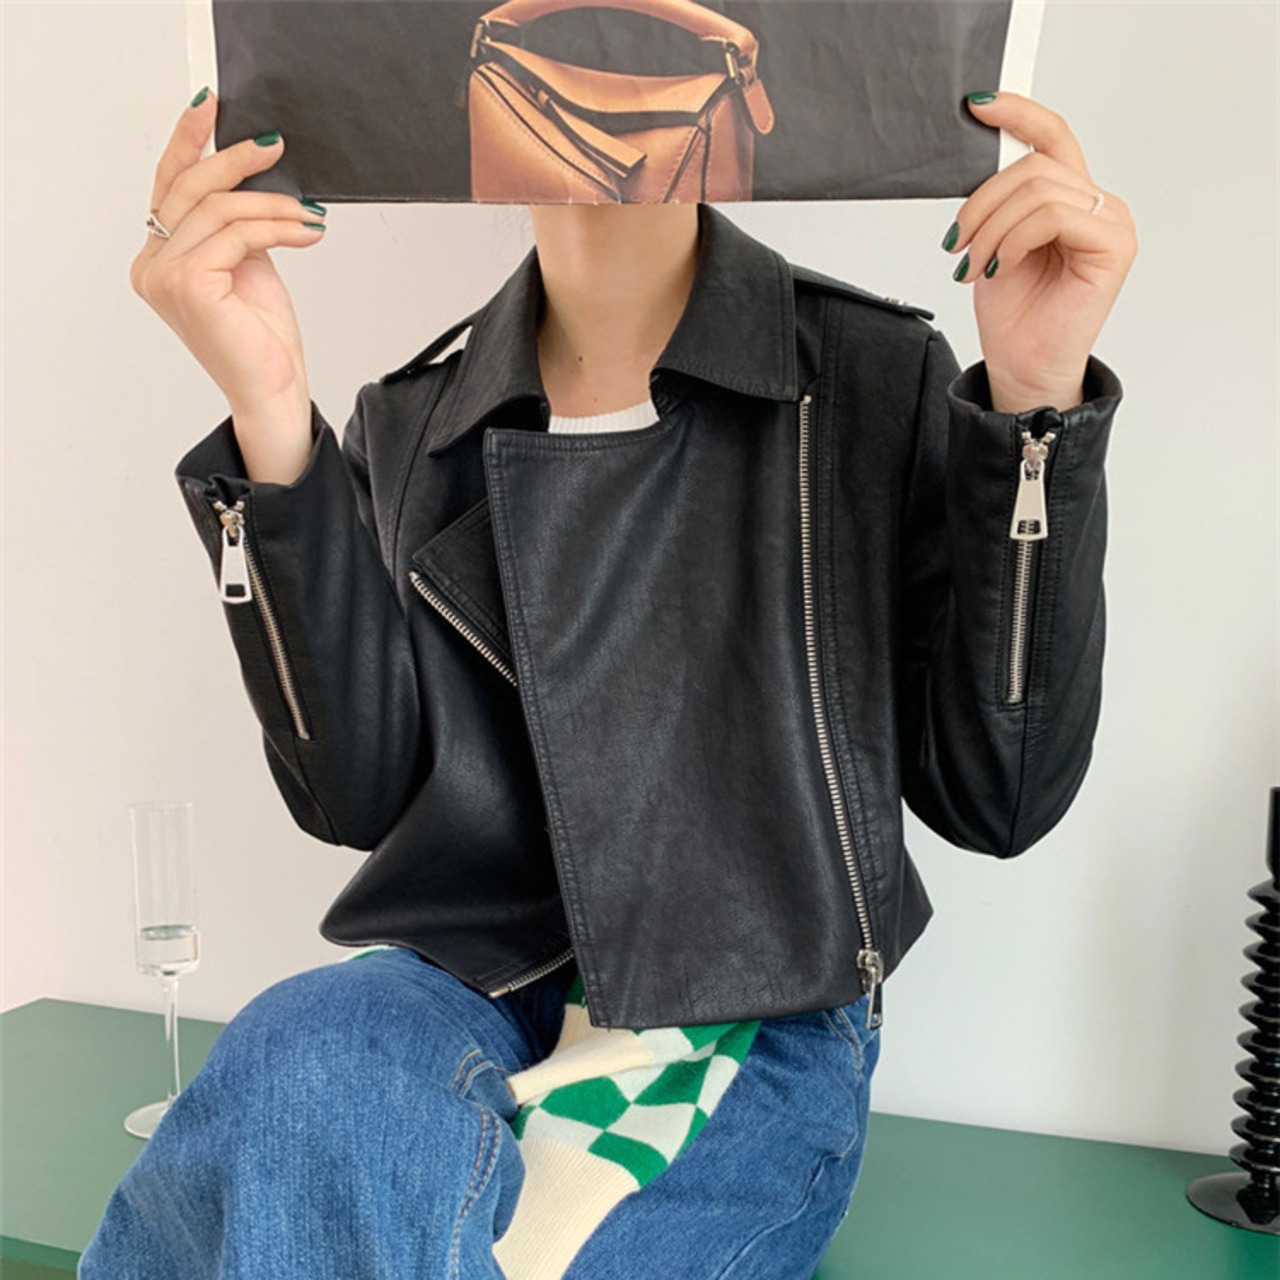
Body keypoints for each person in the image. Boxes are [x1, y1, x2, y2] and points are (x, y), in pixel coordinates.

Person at [83, 82, 1135, 1279]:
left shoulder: (866, 373)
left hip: (748, 1008)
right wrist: (270, 413)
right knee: (296, 1058)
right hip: (457, 983)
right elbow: (355, 798)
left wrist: (1035, 403)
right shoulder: (416, 416)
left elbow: (997, 797)